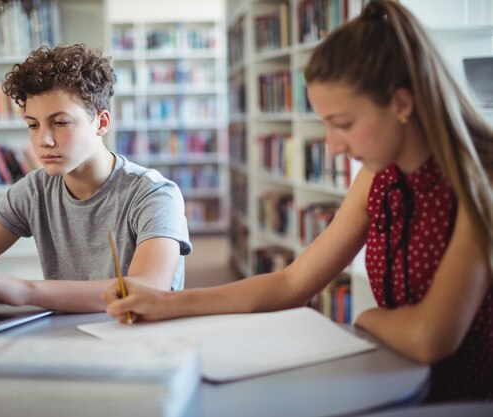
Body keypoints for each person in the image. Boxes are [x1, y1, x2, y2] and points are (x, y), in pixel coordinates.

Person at [103, 0, 493, 402]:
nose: (333, 146)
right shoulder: (378, 176)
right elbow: (291, 282)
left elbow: (430, 338)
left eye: (343, 124)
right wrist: (168, 303)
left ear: (401, 104)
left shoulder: (481, 181)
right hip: (394, 381)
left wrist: (367, 318)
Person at [0, 44, 191, 313]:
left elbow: (147, 289)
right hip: (64, 339)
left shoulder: (154, 194)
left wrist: (24, 291)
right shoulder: (33, 191)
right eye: (33, 125)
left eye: (60, 123)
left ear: (101, 122)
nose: (43, 141)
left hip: (138, 343)